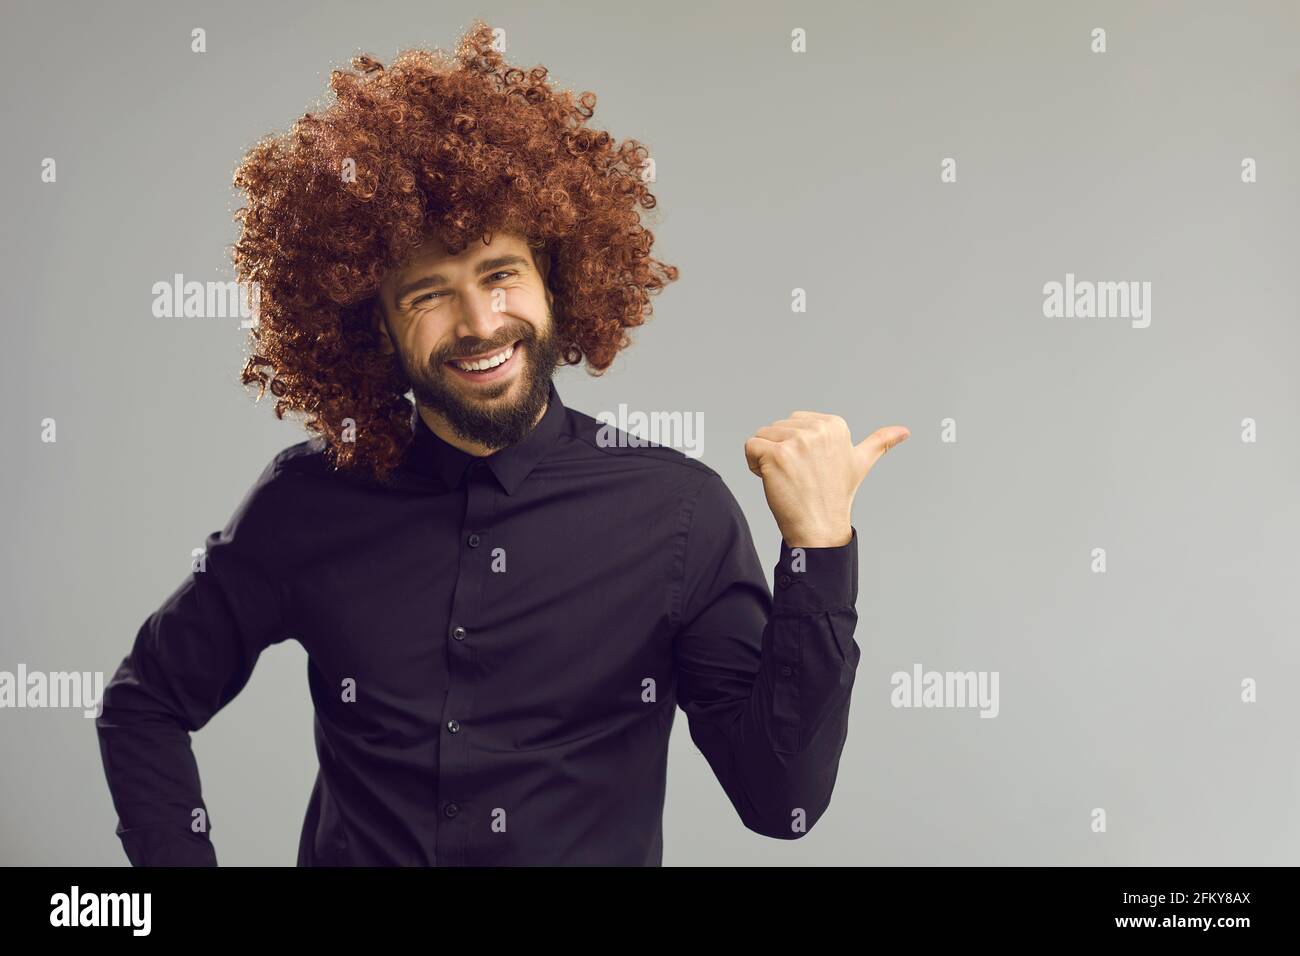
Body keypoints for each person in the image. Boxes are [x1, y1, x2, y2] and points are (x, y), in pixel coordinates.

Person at [95, 19, 908, 866]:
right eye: (428, 295)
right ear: (374, 325)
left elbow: (782, 804)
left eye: (500, 274)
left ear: (554, 281)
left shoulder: (678, 516)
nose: (480, 324)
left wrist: (820, 551)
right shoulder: (307, 503)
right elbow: (146, 702)